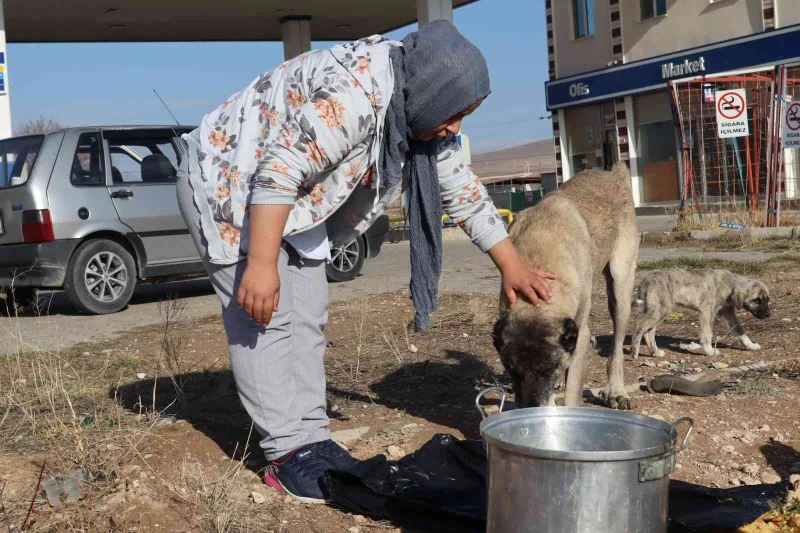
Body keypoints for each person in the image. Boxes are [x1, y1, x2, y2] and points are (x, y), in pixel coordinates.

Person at [177, 20, 554, 503]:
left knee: (307, 315)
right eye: (456, 113)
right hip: (230, 182)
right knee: (264, 318)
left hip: (294, 198)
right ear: (434, 94)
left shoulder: (418, 106)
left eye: (466, 114)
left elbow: (460, 188)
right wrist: (261, 263)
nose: (456, 127)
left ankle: (312, 436)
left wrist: (511, 263)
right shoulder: (358, 94)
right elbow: (279, 168)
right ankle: (287, 454)